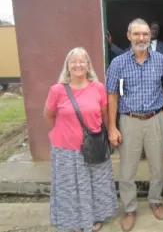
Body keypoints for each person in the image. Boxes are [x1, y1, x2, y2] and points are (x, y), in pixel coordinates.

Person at [43, 47, 117, 232]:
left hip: (94, 145)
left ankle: (95, 218)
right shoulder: (57, 90)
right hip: (66, 149)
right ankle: (73, 221)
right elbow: (48, 116)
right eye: (73, 61)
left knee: (96, 184)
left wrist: (110, 133)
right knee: (70, 188)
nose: (78, 65)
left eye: (82, 61)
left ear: (88, 65)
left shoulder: (98, 88)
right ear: (67, 66)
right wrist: (65, 132)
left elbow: (104, 114)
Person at [106, 18, 163, 232]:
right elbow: (112, 95)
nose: (141, 38)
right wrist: (112, 127)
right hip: (129, 120)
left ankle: (156, 200)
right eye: (136, 34)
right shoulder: (118, 63)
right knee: (127, 170)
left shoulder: (160, 60)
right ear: (128, 36)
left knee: (157, 167)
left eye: (145, 34)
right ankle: (130, 208)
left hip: (155, 119)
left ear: (150, 36)